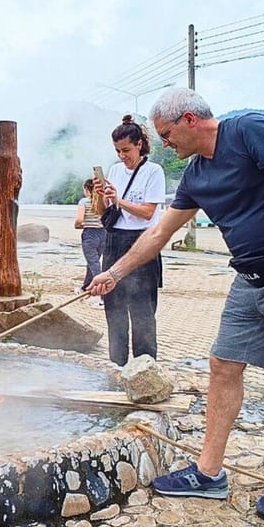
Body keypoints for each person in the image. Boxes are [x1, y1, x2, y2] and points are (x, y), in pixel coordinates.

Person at [88, 88, 264, 522]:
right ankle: (208, 473)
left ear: (189, 119)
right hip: (249, 274)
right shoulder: (195, 176)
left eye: (166, 134)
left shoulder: (248, 131)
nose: (164, 144)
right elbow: (156, 234)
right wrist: (115, 272)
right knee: (223, 364)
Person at [94, 115, 165, 366]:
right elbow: (104, 212)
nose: (122, 155)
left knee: (142, 311)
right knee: (114, 309)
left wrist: (119, 199)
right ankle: (116, 366)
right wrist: (102, 195)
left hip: (142, 242)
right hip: (114, 241)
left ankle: (145, 368)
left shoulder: (153, 171)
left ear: (139, 144)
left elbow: (148, 212)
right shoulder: (114, 169)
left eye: (126, 150)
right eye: (117, 151)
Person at [74, 178, 105, 305]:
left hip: (90, 235)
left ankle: (103, 295)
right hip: (103, 234)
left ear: (87, 189)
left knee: (94, 264)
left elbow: (80, 220)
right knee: (93, 262)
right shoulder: (103, 202)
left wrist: (77, 225)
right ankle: (85, 288)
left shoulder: (84, 202)